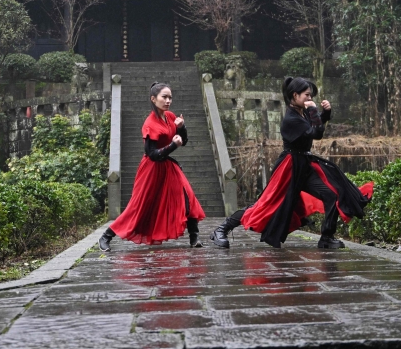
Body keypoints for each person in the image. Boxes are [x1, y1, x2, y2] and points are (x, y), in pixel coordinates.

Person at [210, 77, 372, 249]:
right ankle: (222, 229)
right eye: (307, 95)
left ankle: (326, 237)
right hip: (289, 167)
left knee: (331, 195)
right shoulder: (291, 119)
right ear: (295, 95)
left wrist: (325, 113)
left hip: (305, 165)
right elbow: (316, 133)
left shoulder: (301, 112)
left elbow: (315, 126)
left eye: (311, 96)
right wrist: (315, 111)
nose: (310, 99)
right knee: (265, 205)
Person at [99, 82, 205, 250]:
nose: (168, 100)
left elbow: (183, 141)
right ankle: (106, 236)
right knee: (139, 206)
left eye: (170, 97)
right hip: (151, 169)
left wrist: (182, 127)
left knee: (188, 197)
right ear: (153, 99)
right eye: (164, 97)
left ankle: (194, 237)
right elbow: (152, 154)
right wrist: (172, 146)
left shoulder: (170, 116)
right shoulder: (150, 123)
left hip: (169, 168)